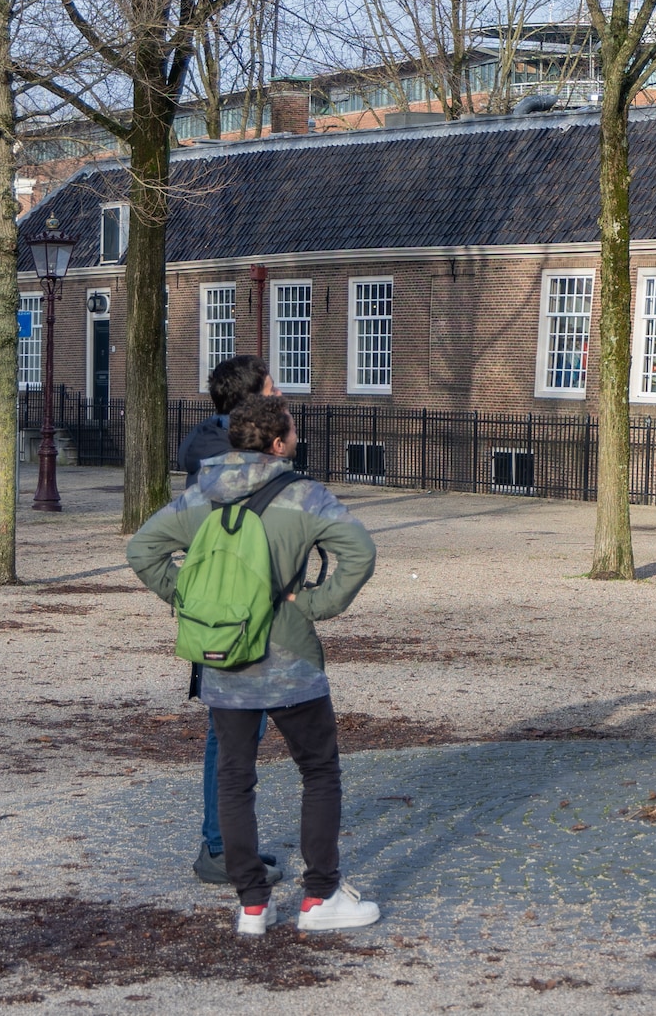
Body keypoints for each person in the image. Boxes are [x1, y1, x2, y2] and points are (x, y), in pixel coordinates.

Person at [128, 394, 379, 936]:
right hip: (290, 659)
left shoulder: (199, 496)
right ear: (278, 442)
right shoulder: (305, 496)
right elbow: (360, 553)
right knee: (318, 772)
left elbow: (142, 551)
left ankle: (251, 905)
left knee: (235, 779)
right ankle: (319, 897)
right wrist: (314, 604)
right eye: (292, 430)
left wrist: (192, 602)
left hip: (224, 659)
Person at [176, 354, 275, 883]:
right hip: (226, 617)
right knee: (229, 737)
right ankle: (218, 848)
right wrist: (189, 596)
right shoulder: (221, 459)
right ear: (252, 401)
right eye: (271, 388)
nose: (281, 395)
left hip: (238, 613)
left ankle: (231, 843)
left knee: (241, 735)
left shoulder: (226, 450)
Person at [181, 354, 272, 485]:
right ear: (250, 403)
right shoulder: (229, 466)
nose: (279, 394)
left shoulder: (208, 444)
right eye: (272, 390)